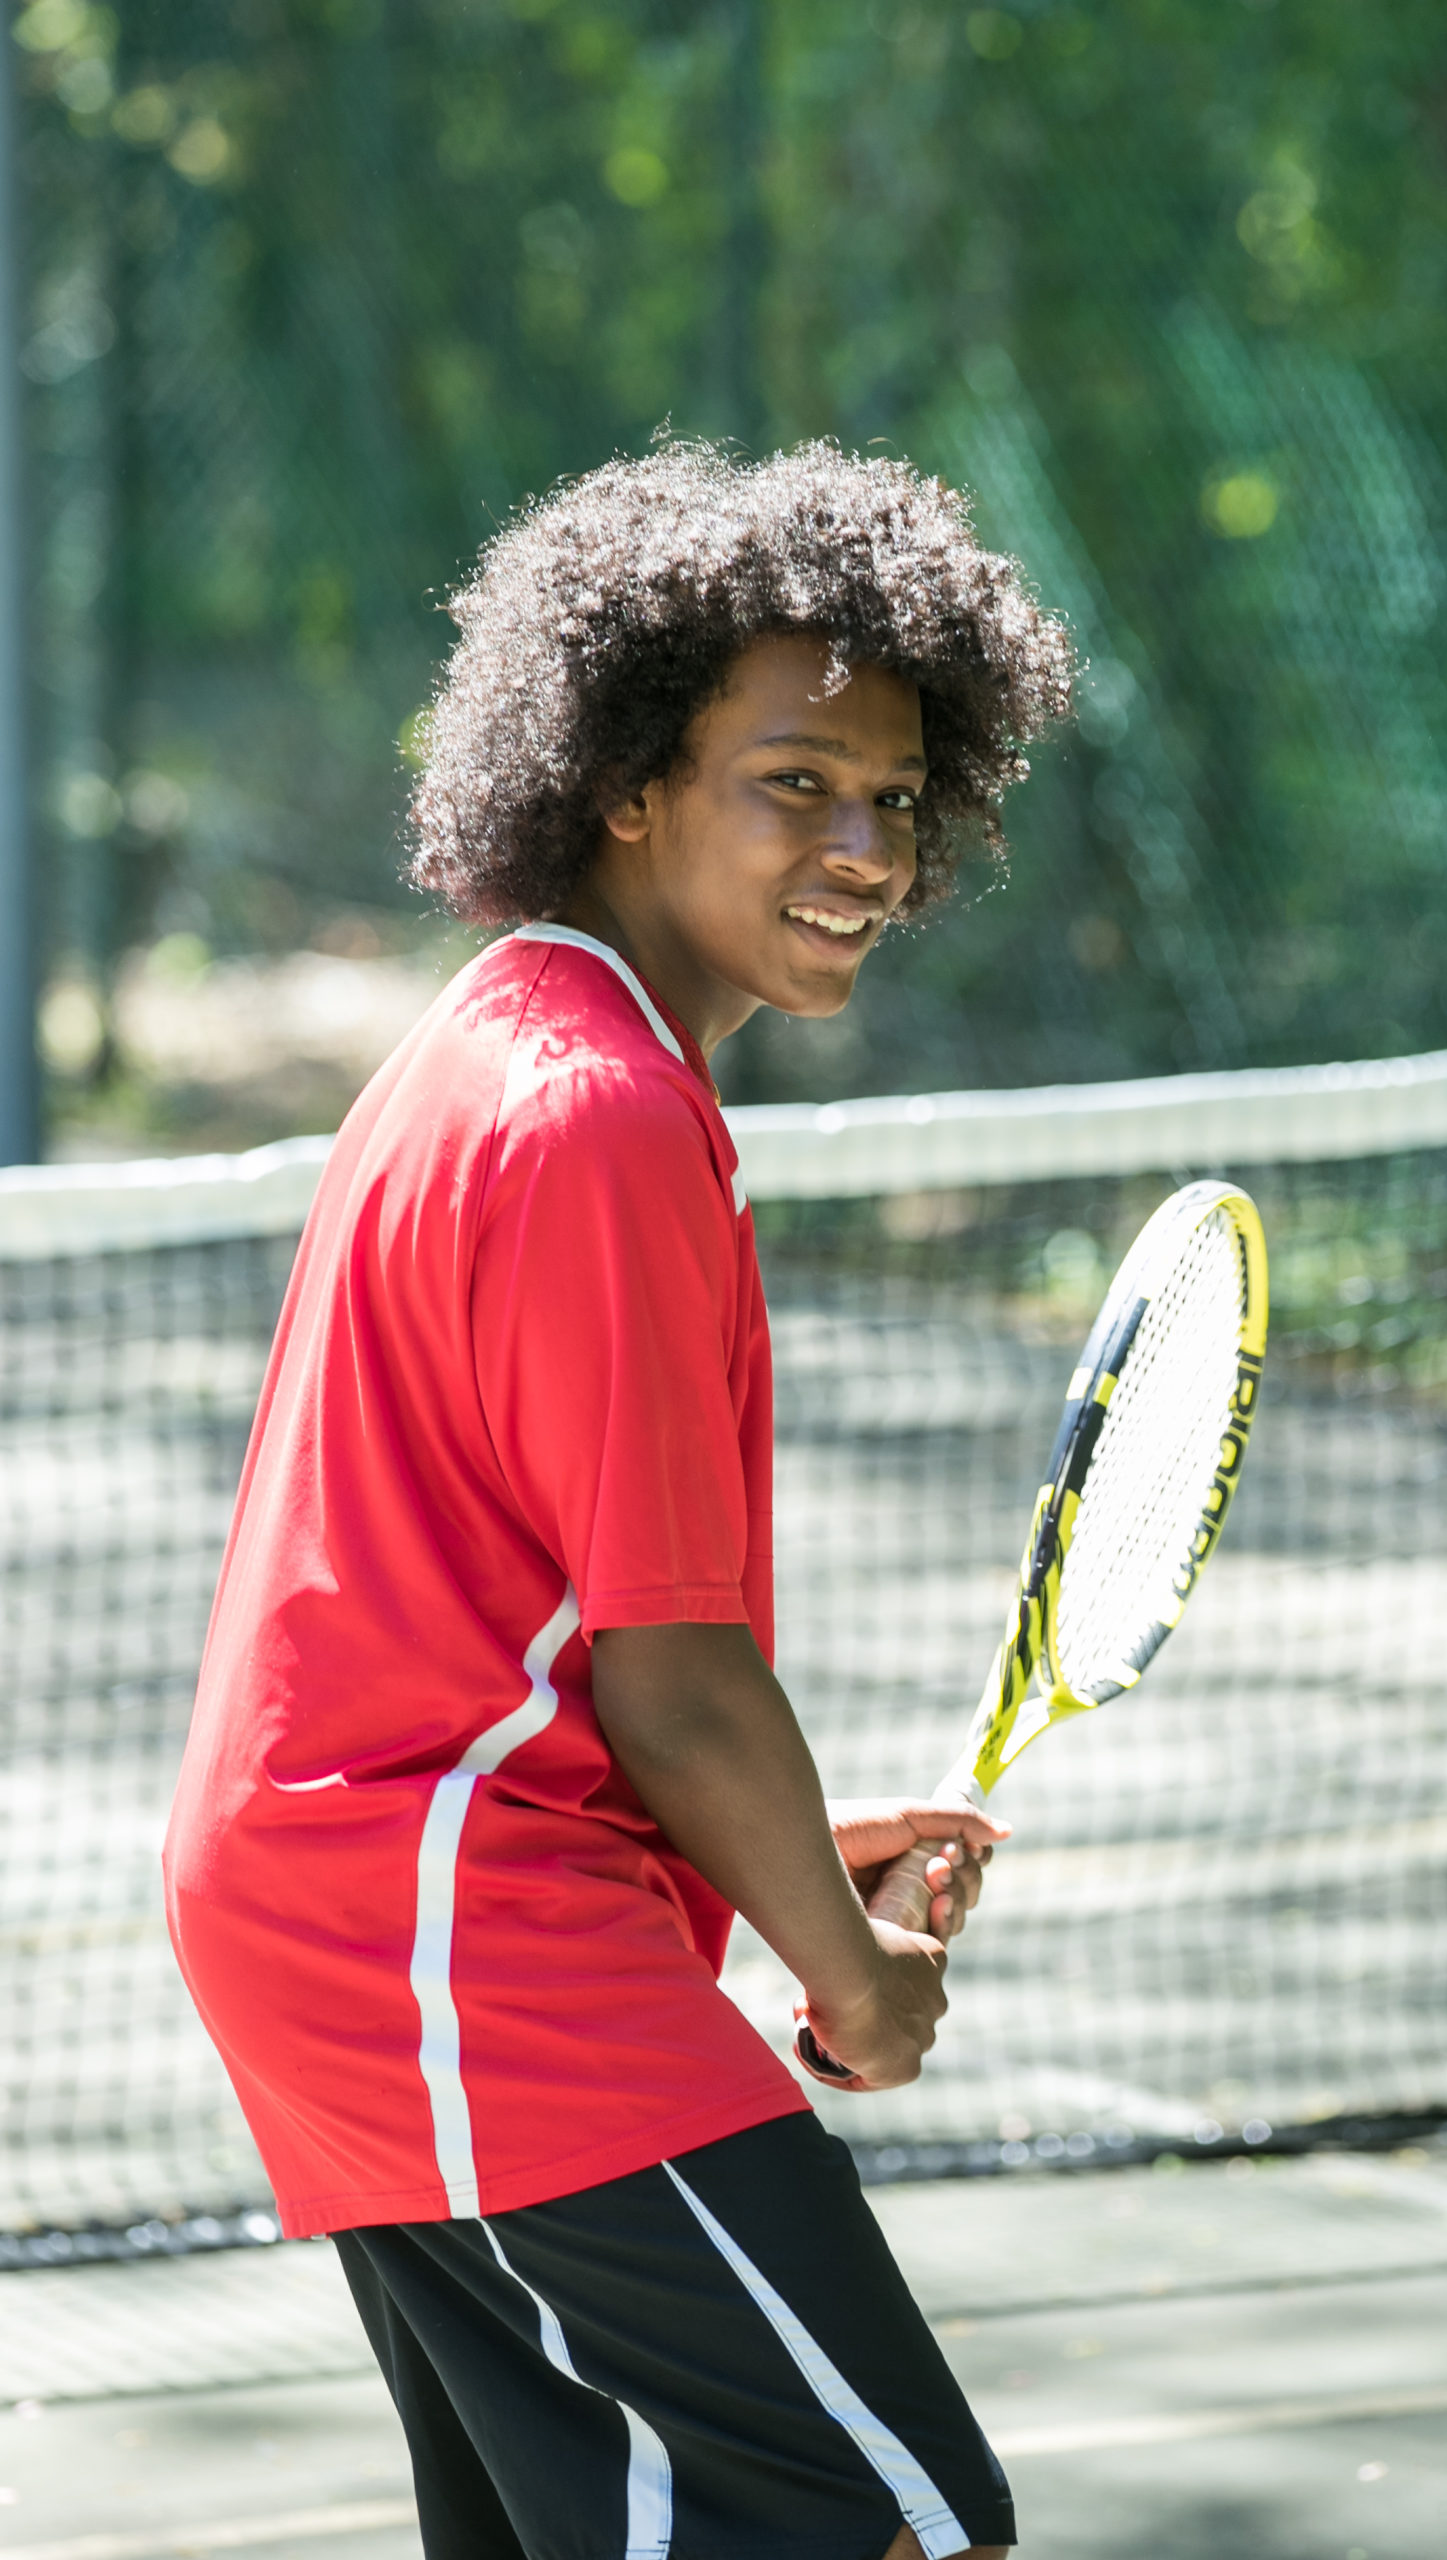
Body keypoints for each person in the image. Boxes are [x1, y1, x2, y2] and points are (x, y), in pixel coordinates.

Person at [164, 440, 1073, 2560]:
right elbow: (671, 1676)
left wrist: (779, 1869)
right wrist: (840, 1963)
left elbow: (527, 1631)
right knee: (879, 2515)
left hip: (374, 1906)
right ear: (622, 780)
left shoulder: (511, 1046)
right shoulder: (595, 1119)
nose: (860, 839)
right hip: (435, 1925)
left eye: (898, 796)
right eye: (792, 780)